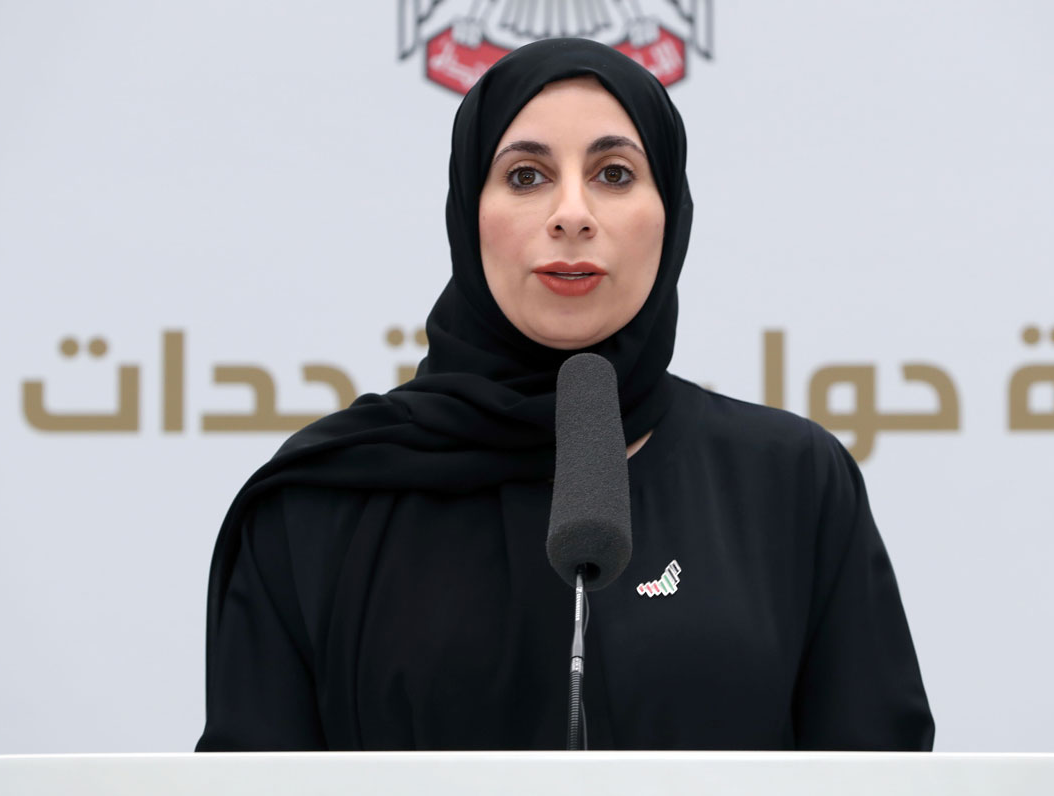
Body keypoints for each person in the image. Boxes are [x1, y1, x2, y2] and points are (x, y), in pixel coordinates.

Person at [196, 37, 934, 752]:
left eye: (614, 173)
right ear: (468, 210)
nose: (571, 213)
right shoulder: (320, 502)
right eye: (525, 176)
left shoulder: (792, 483)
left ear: (670, 212)